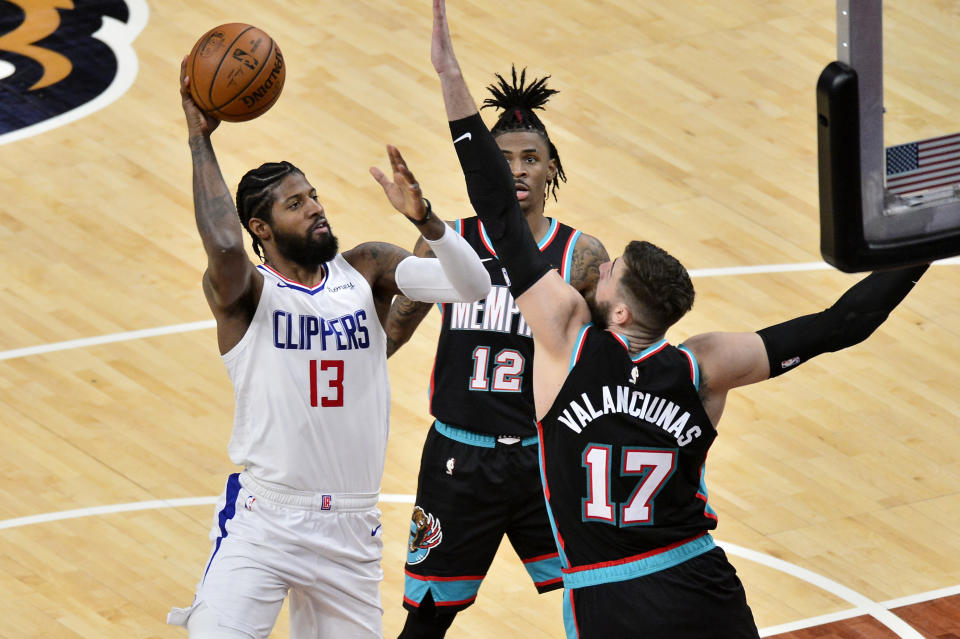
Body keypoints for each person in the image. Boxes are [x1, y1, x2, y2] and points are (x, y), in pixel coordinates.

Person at [428, 1, 929, 637]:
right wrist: (928, 239)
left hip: (607, 595)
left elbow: (495, 210)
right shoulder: (703, 364)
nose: (597, 269)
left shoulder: (565, 344)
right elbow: (844, 323)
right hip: (700, 580)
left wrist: (450, 76)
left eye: (609, 272)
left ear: (619, 307)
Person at [167, 57, 491, 639]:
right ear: (260, 230)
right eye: (295, 204)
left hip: (350, 527)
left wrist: (429, 221)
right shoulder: (247, 292)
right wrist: (198, 139)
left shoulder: (365, 269)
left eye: (313, 195)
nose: (316, 207)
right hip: (268, 520)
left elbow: (472, 287)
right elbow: (221, 244)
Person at [385, 65, 608, 637]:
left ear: (551, 166)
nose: (516, 170)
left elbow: (611, 360)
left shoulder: (582, 256)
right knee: (427, 621)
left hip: (546, 453)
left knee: (603, 596)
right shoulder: (445, 245)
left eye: (530, 158)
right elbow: (393, 330)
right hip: (460, 456)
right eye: (502, 159)